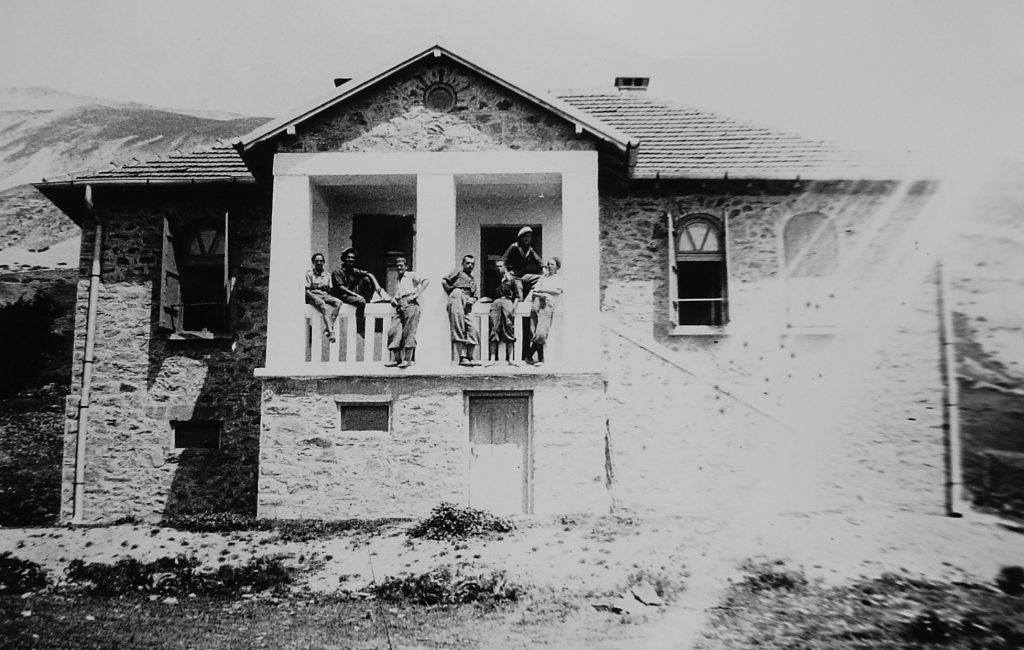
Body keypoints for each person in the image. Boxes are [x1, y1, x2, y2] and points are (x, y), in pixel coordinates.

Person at [385, 256, 428, 368]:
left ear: (406, 266)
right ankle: (396, 359)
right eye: (397, 266)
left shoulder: (410, 275)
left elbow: (426, 281)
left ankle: (407, 360)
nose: (399, 267)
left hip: (410, 305)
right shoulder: (398, 279)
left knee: (409, 332)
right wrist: (394, 298)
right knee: (394, 330)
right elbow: (400, 293)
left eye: (401, 265)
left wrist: (415, 295)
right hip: (400, 306)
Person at [441, 255, 480, 366]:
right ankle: (462, 357)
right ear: (463, 264)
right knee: (458, 325)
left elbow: (476, 295)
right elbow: (444, 281)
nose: (470, 266)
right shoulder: (457, 272)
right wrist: (453, 293)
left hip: (468, 302)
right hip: (457, 296)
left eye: (472, 264)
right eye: (467, 263)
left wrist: (473, 299)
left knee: (473, 328)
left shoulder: (473, 280)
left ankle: (470, 356)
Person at [330, 248, 378, 335]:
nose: (350, 260)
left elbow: (368, 274)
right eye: (348, 257)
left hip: (351, 294)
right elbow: (340, 288)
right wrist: (356, 295)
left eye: (352, 258)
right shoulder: (337, 272)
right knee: (361, 301)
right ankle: (360, 328)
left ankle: (368, 299)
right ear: (344, 259)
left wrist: (377, 285)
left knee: (366, 279)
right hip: (342, 295)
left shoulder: (353, 270)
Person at [527, 257, 563, 366]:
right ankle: (540, 359)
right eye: (548, 264)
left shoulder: (559, 279)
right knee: (536, 331)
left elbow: (557, 291)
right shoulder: (543, 278)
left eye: (552, 264)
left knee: (541, 333)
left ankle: (529, 356)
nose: (549, 266)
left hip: (548, 305)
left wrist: (544, 291)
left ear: (557, 267)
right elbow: (534, 292)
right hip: (538, 304)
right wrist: (541, 294)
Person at [487, 259, 522, 365]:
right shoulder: (492, 280)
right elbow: (489, 294)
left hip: (507, 302)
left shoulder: (511, 280)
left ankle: (510, 359)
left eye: (500, 266)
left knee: (509, 328)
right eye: (497, 266)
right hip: (496, 303)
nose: (498, 268)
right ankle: (492, 359)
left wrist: (513, 307)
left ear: (505, 267)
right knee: (494, 329)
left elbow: (517, 296)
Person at [305, 252, 343, 343]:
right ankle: (331, 332)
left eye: (321, 261)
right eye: (317, 261)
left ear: (324, 262)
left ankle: (328, 327)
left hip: (324, 295)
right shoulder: (309, 274)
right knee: (323, 306)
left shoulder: (327, 275)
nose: (319, 263)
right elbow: (306, 290)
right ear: (313, 262)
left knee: (338, 303)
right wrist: (315, 298)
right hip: (313, 296)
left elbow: (330, 290)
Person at [501, 226, 544, 298]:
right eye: (525, 237)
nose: (527, 238)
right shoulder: (514, 247)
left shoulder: (529, 249)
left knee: (541, 279)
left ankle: (531, 296)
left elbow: (538, 260)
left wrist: (544, 268)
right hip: (514, 275)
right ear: (521, 237)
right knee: (519, 296)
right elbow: (503, 261)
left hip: (523, 275)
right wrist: (506, 274)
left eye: (529, 237)